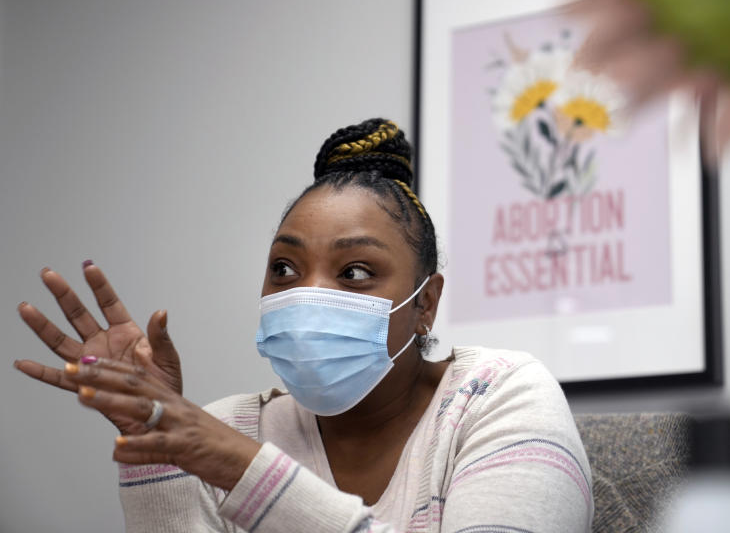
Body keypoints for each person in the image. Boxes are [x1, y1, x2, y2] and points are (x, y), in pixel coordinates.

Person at [14, 118, 594, 532]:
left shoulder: (501, 397)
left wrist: (241, 469)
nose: (308, 294)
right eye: (284, 268)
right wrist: (156, 449)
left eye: (356, 270)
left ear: (426, 303)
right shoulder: (225, 428)